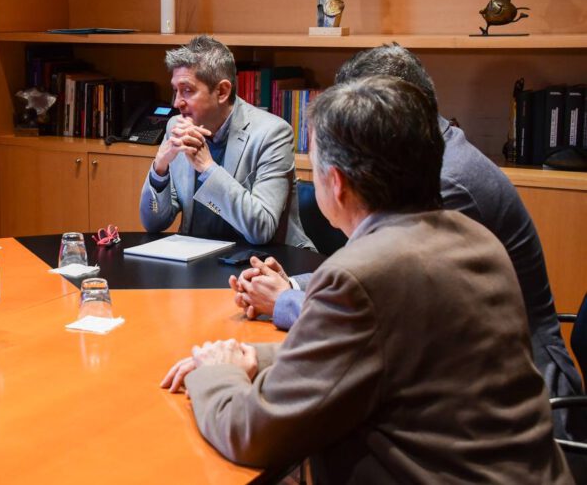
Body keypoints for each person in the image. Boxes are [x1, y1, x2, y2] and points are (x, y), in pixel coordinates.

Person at [162, 77, 572, 483]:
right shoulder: (478, 241)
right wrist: (257, 359)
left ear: (336, 183)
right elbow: (378, 350)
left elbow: (252, 433)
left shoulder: (360, 275)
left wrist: (217, 371)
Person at [232, 44, 585, 440]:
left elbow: (379, 302)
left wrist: (282, 301)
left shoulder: (445, 182)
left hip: (507, 405)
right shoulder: (435, 156)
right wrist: (294, 285)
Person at [139, 35, 312, 248]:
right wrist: (160, 168)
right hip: (198, 259)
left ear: (222, 91)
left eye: (187, 90)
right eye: (175, 90)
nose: (176, 103)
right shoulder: (178, 125)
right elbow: (153, 223)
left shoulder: (272, 133)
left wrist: (207, 168)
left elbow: (261, 229)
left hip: (267, 264)